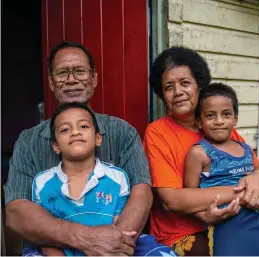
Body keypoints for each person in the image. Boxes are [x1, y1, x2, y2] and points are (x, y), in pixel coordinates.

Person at [4, 41, 153, 256]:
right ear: (51, 82)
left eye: (80, 71)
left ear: (94, 78)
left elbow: (142, 192)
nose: (72, 80)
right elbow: (16, 211)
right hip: (50, 249)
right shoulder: (29, 141)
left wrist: (113, 247)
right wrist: (87, 239)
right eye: (63, 72)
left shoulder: (122, 132)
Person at [143, 46, 259, 256]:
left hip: (237, 219)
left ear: (199, 86)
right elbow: (172, 200)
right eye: (169, 87)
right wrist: (245, 192)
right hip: (183, 231)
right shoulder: (158, 132)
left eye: (185, 83)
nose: (178, 92)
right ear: (162, 95)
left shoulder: (217, 126)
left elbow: (256, 167)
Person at [28, 102, 177, 256]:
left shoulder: (116, 178)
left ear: (98, 138)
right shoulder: (43, 182)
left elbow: (120, 230)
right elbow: (44, 235)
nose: (75, 132)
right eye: (65, 129)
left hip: (110, 250)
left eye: (84, 126)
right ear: (55, 146)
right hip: (62, 250)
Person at [184, 83, 259, 255]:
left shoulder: (246, 149)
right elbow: (190, 199)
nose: (219, 121)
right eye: (210, 115)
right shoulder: (199, 153)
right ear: (199, 121)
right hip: (227, 220)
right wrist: (205, 216)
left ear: (235, 118)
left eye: (226, 114)